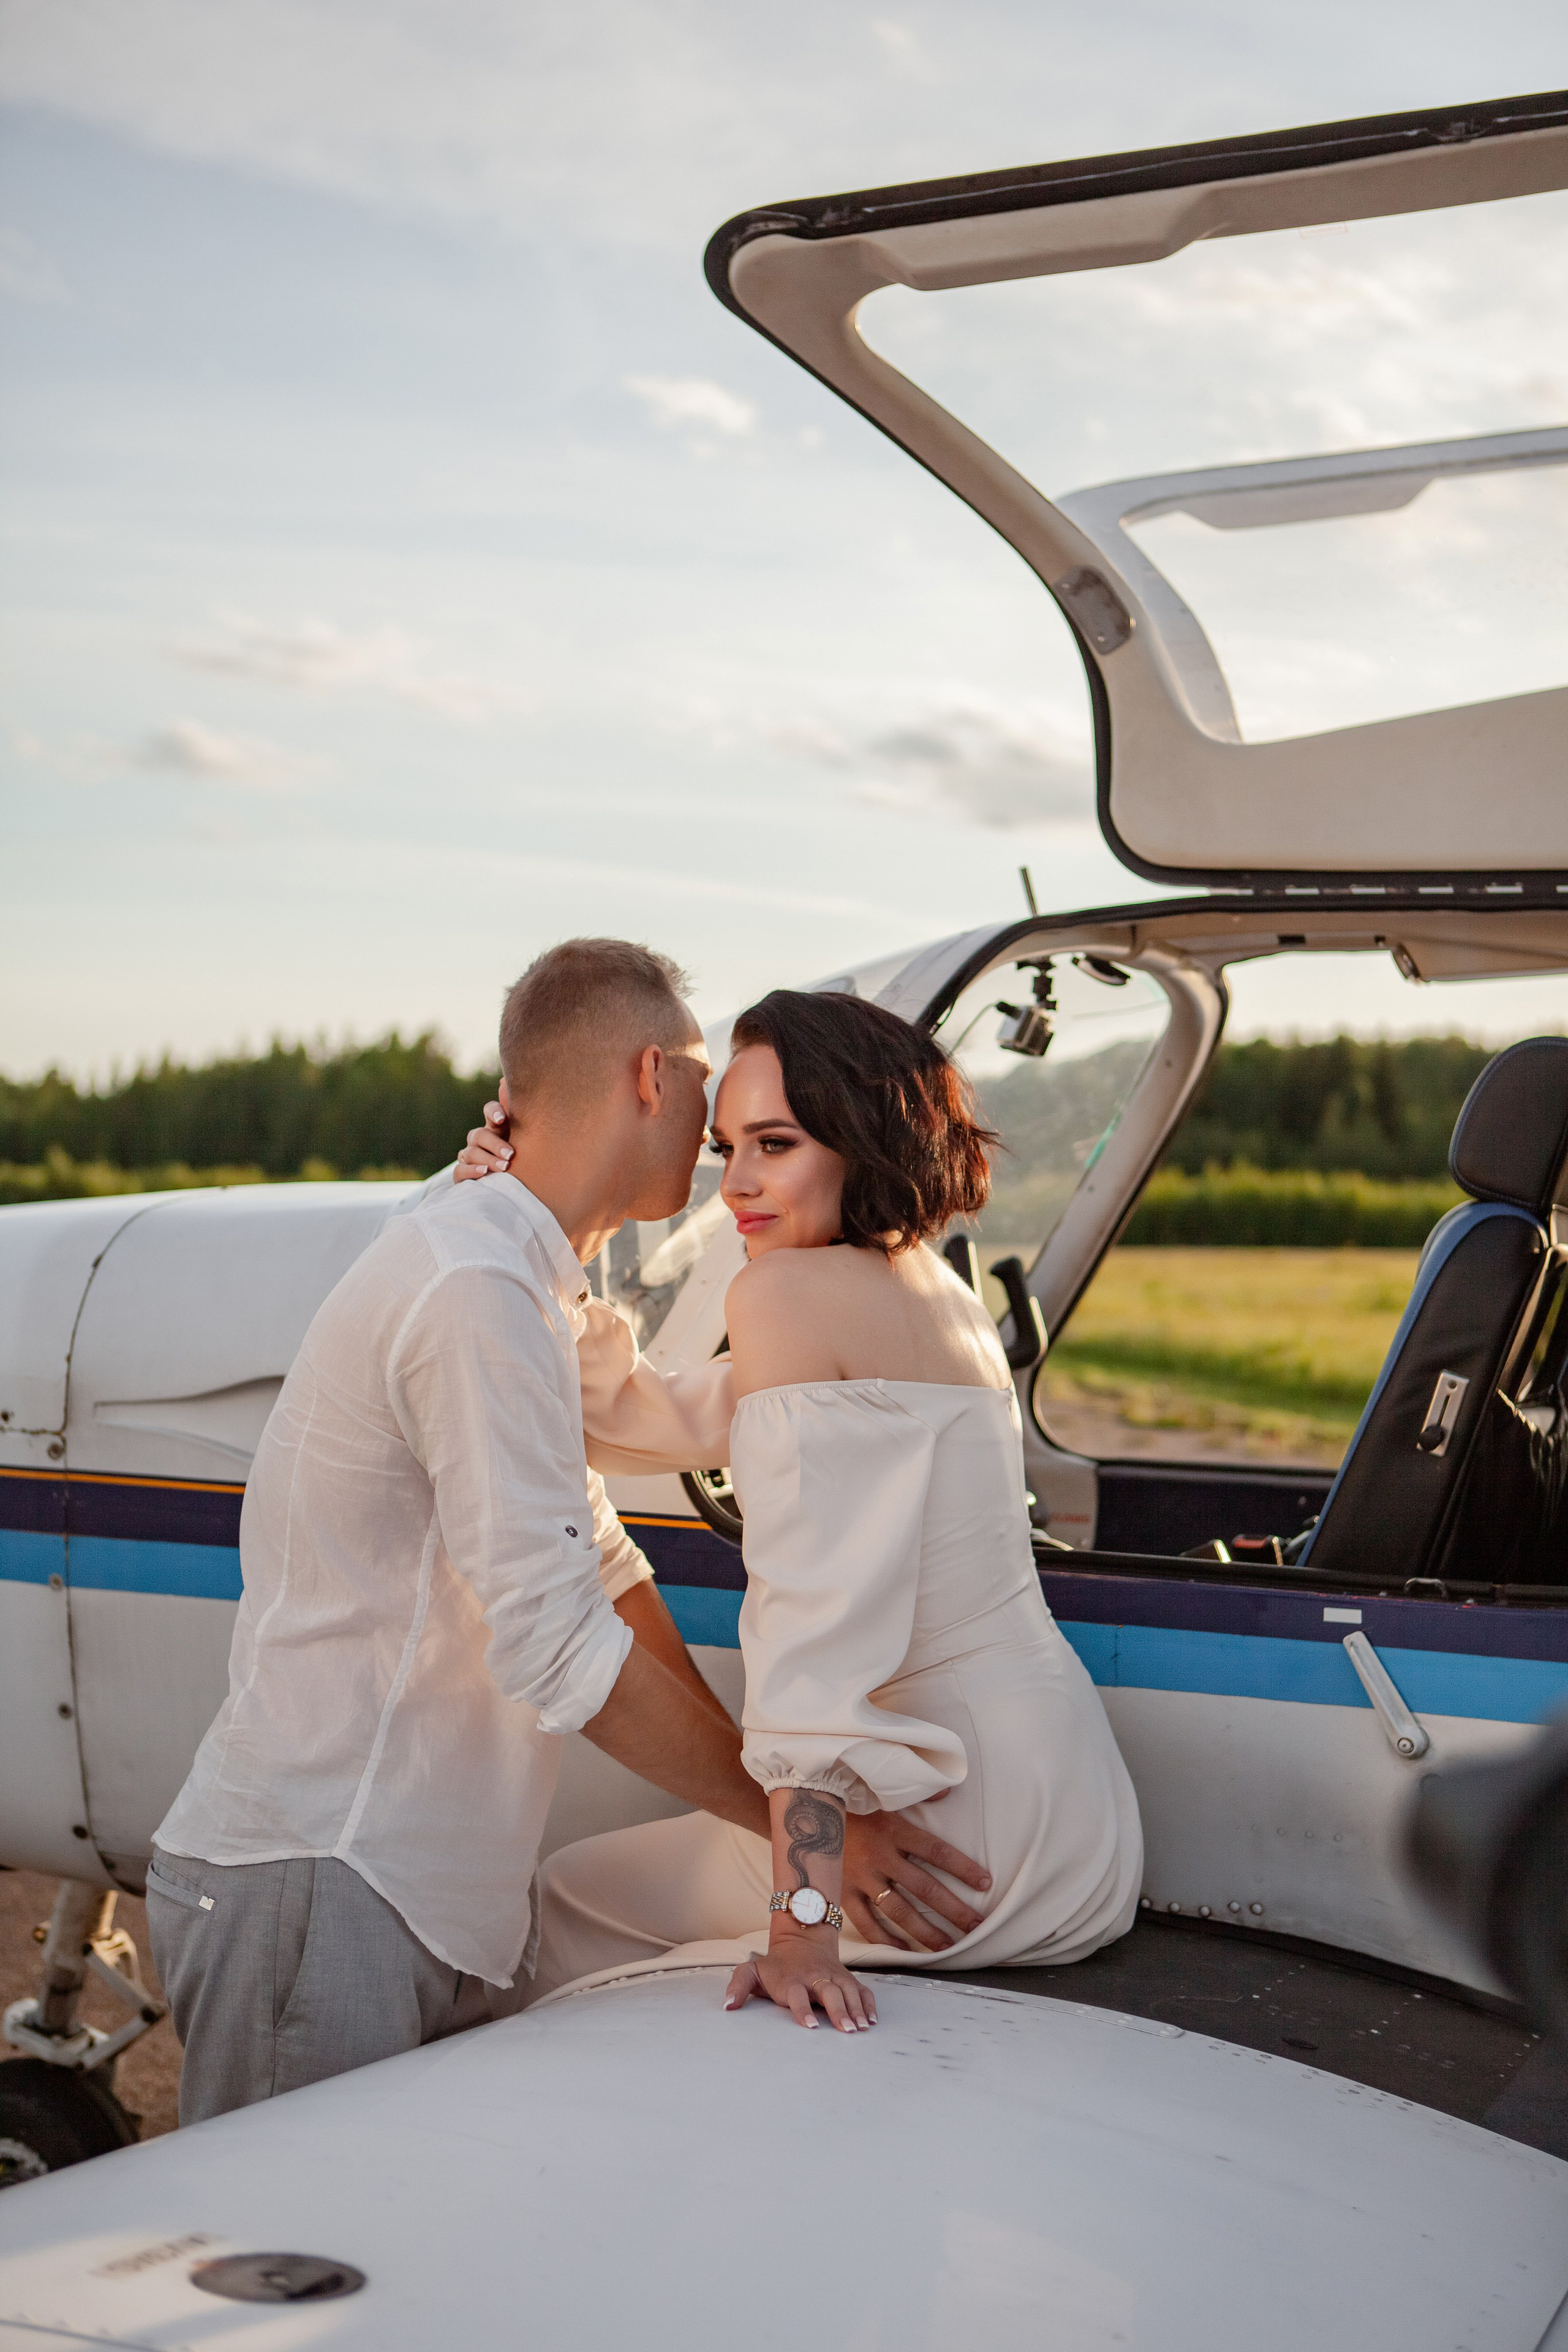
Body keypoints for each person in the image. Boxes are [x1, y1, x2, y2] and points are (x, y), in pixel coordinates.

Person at [148, 940, 984, 2117]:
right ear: (652, 1074)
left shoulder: (515, 1275)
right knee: (281, 2284)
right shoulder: (475, 1284)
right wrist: (806, 1841)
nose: (715, 1124)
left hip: (415, 1894)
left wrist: (781, 1804)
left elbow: (598, 1563)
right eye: (704, 1080)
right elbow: (555, 1645)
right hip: (329, 1884)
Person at [459, 989, 1142, 2034]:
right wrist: (531, 1223)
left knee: (563, 1904)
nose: (735, 1187)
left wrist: (803, 1926)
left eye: (773, 1144)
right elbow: (634, 1416)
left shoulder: (782, 1297)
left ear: (865, 1138)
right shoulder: (934, 1288)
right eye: (726, 1148)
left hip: (959, 1835)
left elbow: (813, 1634)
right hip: (1075, 1812)